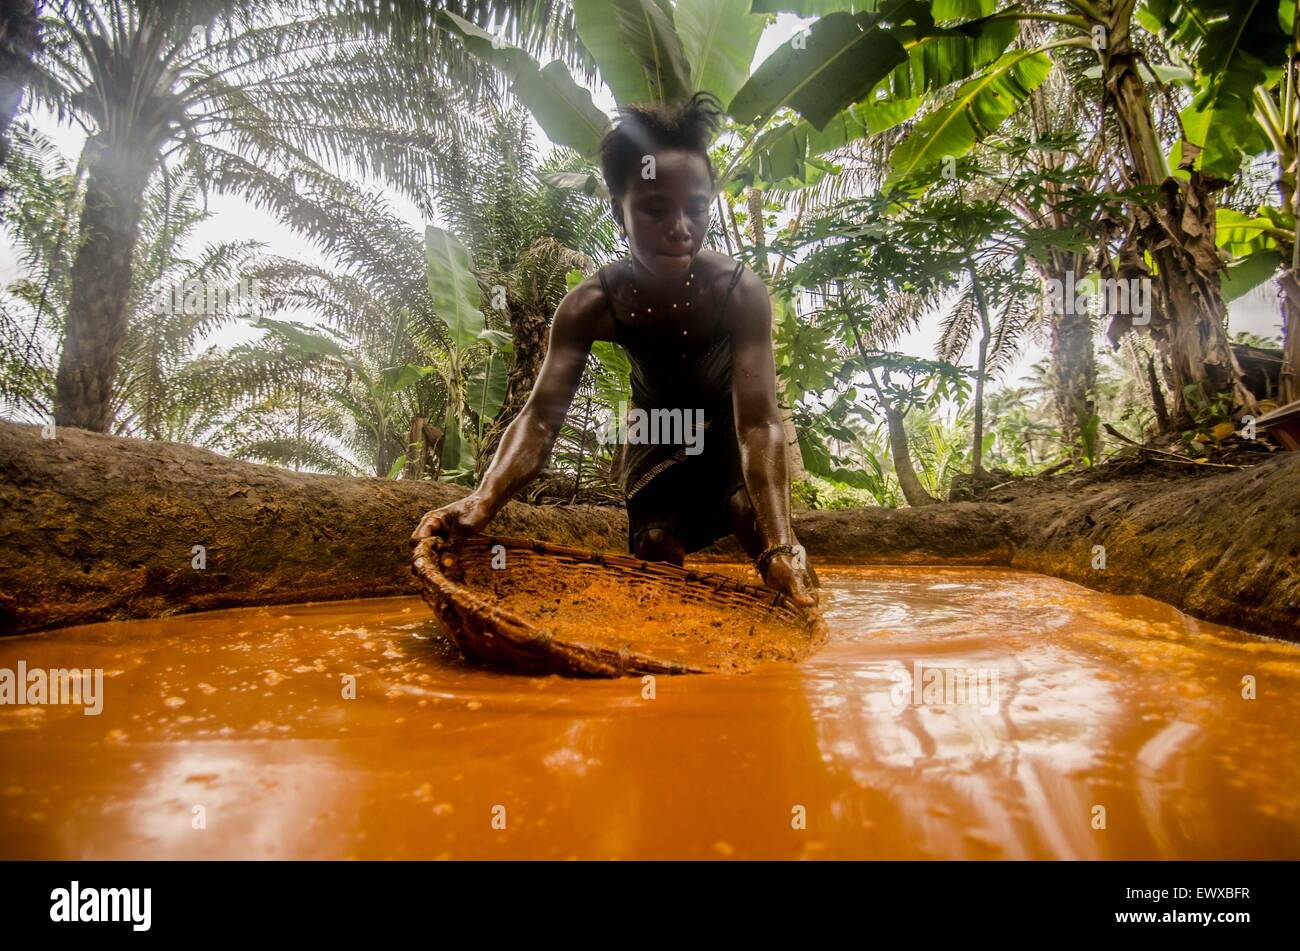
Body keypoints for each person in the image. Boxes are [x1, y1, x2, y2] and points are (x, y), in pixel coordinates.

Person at [411, 91, 817, 607]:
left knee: (757, 529)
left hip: (725, 425)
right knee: (654, 549)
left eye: (696, 210)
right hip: (656, 428)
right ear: (620, 213)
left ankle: (797, 608)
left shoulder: (739, 290)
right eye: (654, 209)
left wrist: (783, 543)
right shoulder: (591, 305)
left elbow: (759, 425)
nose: (680, 229)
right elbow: (539, 422)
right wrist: (481, 502)